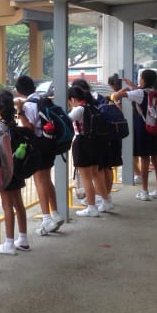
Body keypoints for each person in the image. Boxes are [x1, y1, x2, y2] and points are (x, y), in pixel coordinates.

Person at [14, 75, 63, 237]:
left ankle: (47, 218)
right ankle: (55, 213)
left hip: (38, 145)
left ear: (18, 91)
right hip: (49, 143)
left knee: (40, 181)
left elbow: (28, 127)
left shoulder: (28, 105)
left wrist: (20, 112)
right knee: (47, 179)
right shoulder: (43, 100)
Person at [110, 69, 157, 201]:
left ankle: (144, 191)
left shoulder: (138, 93)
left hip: (144, 128)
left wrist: (118, 93)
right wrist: (133, 86)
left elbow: (118, 96)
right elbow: (141, 93)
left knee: (144, 159)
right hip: (156, 128)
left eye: (140, 78)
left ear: (143, 80)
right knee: (156, 158)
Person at [0, 89, 30, 253]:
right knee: (18, 204)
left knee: (7, 206)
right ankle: (23, 239)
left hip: (5, 170)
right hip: (17, 167)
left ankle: (8, 243)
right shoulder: (12, 124)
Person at [67, 85, 112, 216]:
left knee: (86, 177)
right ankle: (106, 201)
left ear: (73, 99)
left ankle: (91, 207)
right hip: (95, 143)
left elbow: (66, 120)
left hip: (82, 143)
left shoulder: (78, 109)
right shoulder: (92, 106)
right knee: (96, 175)